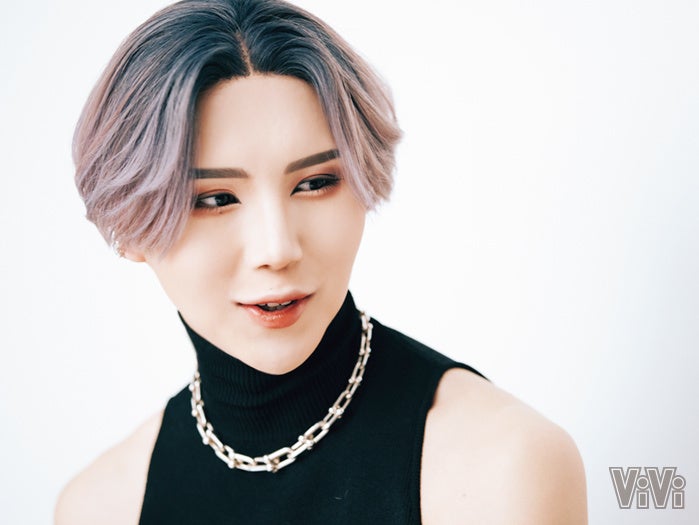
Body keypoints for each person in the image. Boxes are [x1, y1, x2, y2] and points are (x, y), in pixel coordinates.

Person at [55, 0, 587, 523]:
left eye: (315, 183)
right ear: (128, 226)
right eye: (215, 198)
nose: (278, 249)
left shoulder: (503, 468)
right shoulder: (98, 507)